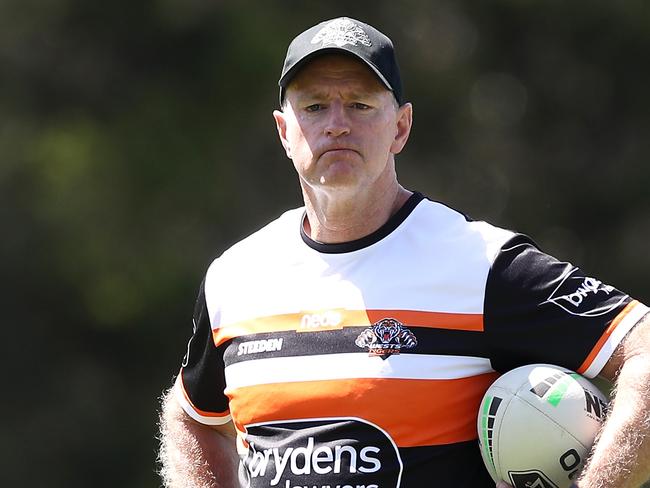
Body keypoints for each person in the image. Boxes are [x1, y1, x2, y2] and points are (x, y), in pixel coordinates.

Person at [158, 17, 650, 488]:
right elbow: (192, 417)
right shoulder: (235, 277)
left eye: (360, 105)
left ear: (401, 127)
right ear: (285, 132)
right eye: (313, 107)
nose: (337, 125)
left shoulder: (481, 265)